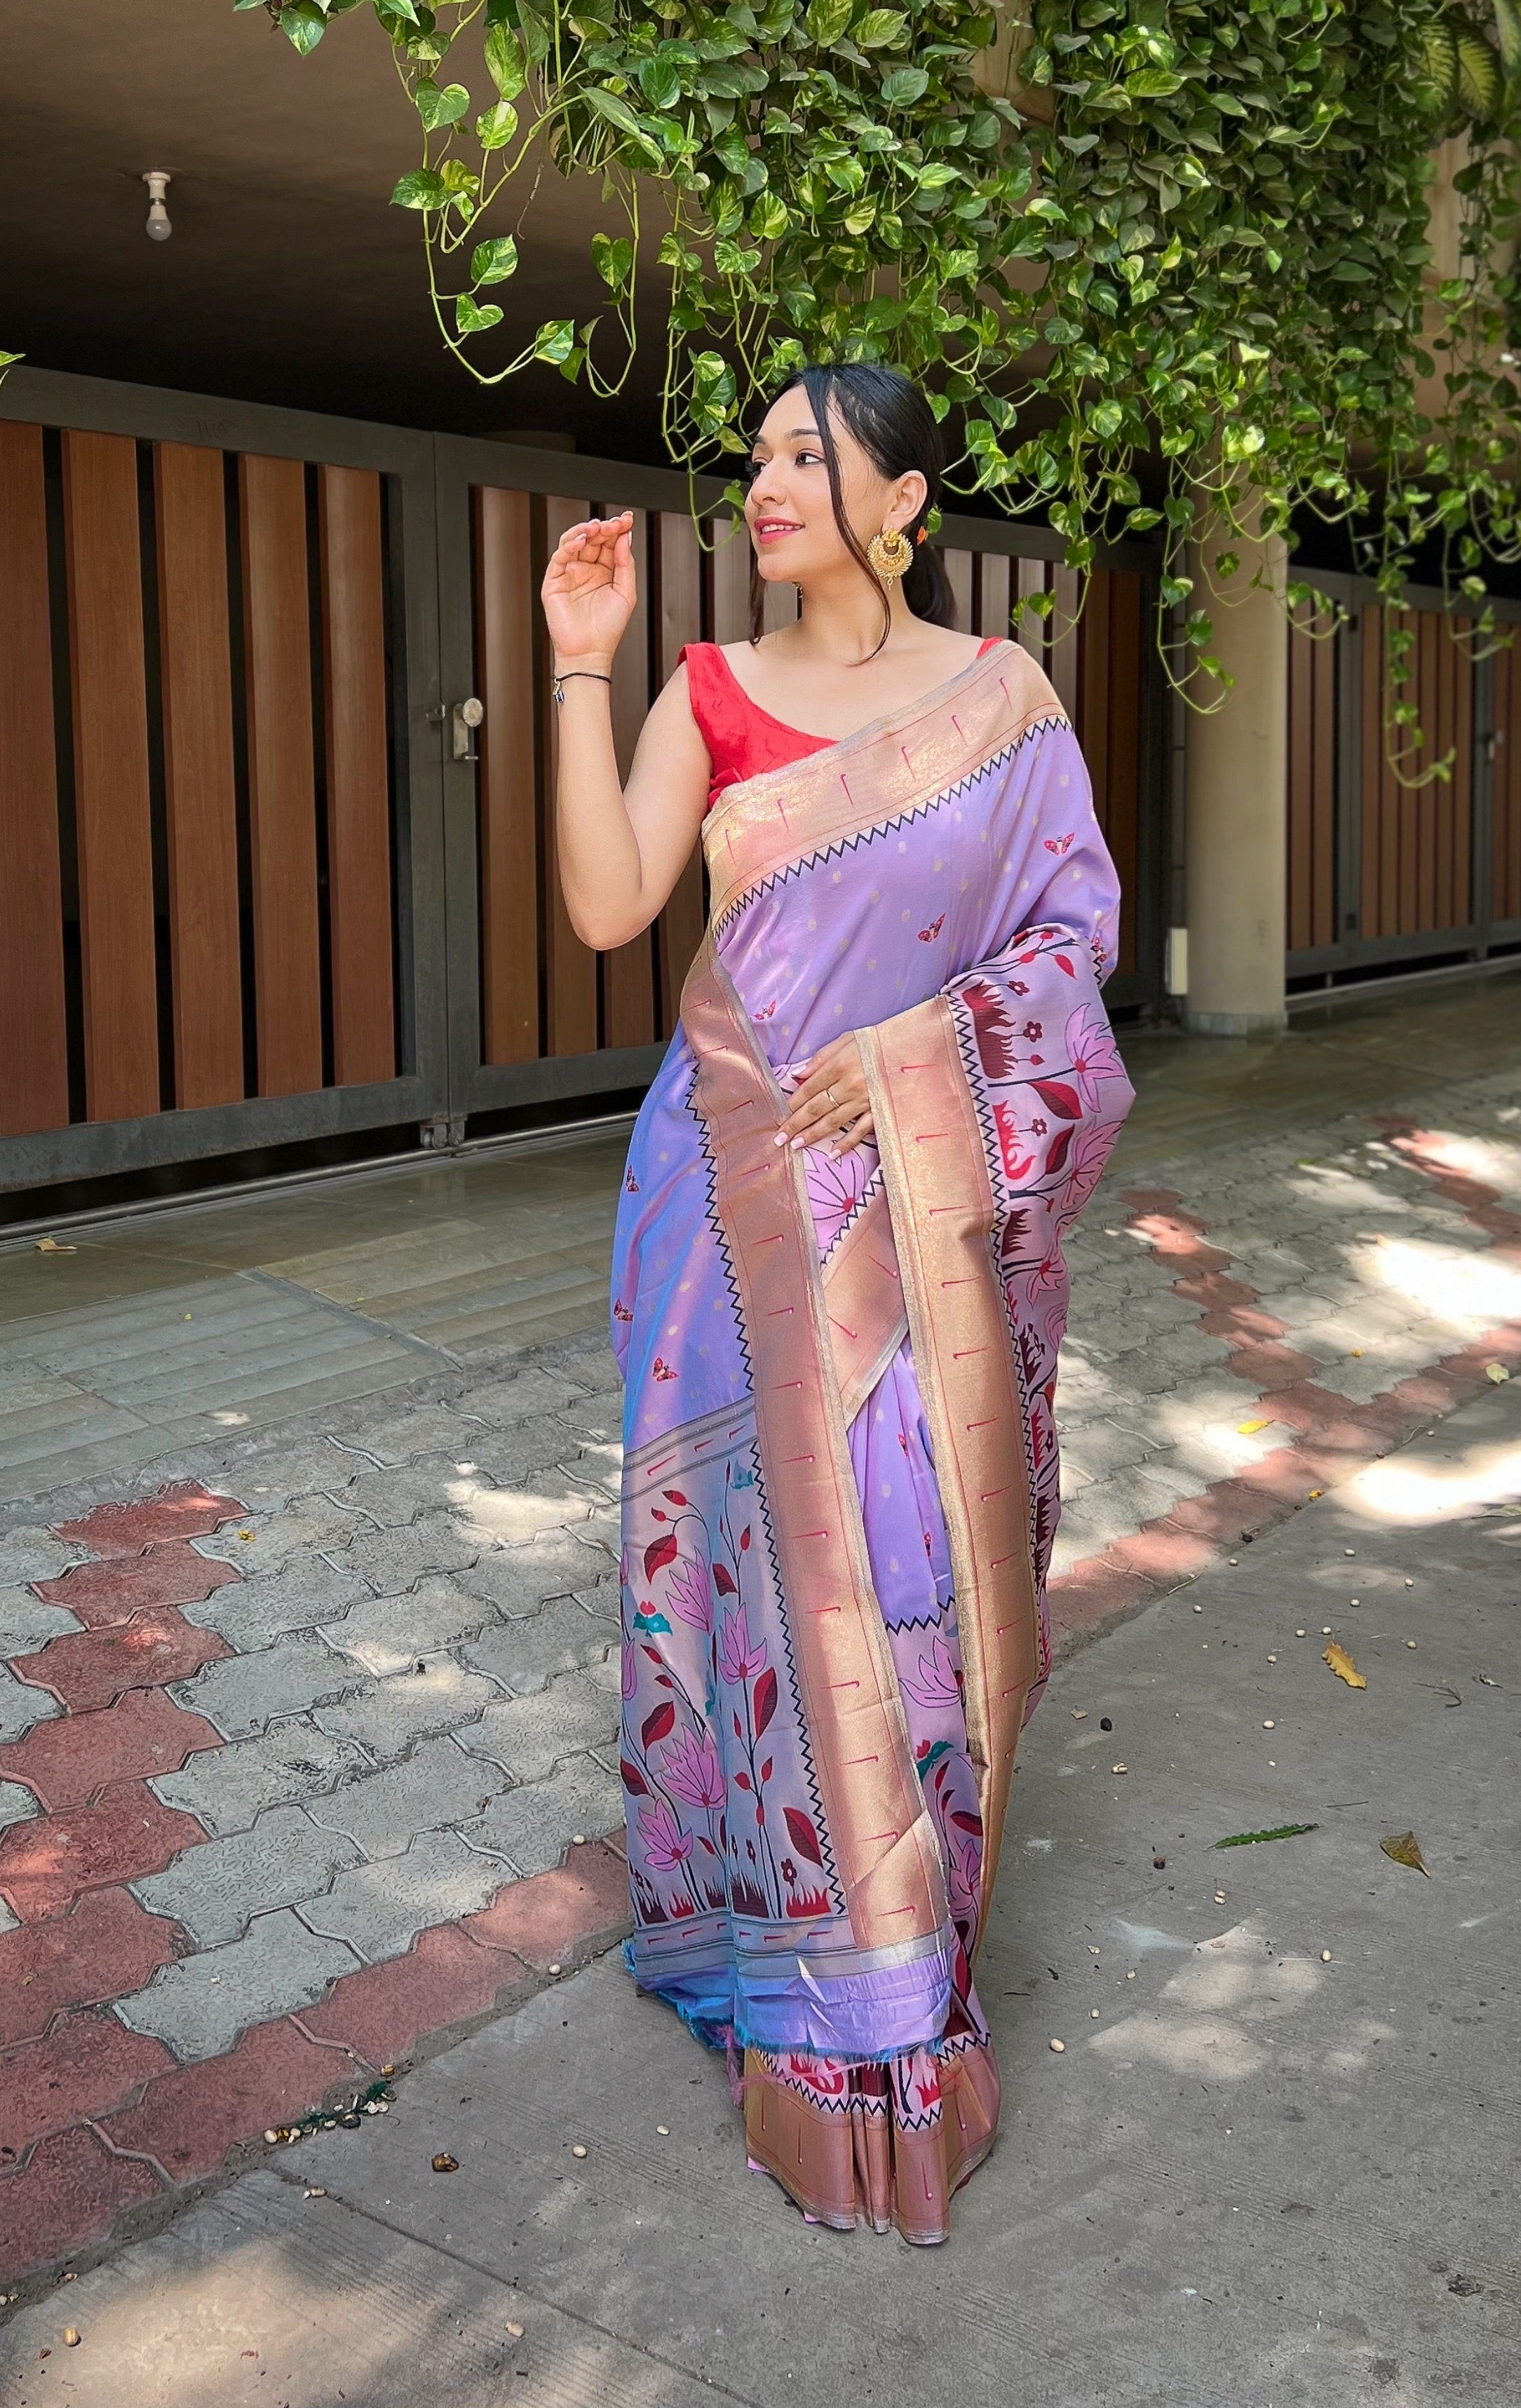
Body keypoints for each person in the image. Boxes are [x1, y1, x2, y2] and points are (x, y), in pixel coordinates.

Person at [539, 362, 1134, 2244]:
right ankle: (795, 1987)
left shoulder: (1004, 707)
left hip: (917, 1222)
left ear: (904, 499)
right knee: (756, 1588)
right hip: (720, 1219)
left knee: (905, 1580)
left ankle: (900, 1974)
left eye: (813, 453)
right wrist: (579, 659)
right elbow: (610, 907)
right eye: (761, 455)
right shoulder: (706, 692)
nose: (770, 479)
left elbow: (1069, 953)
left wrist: (898, 1060)